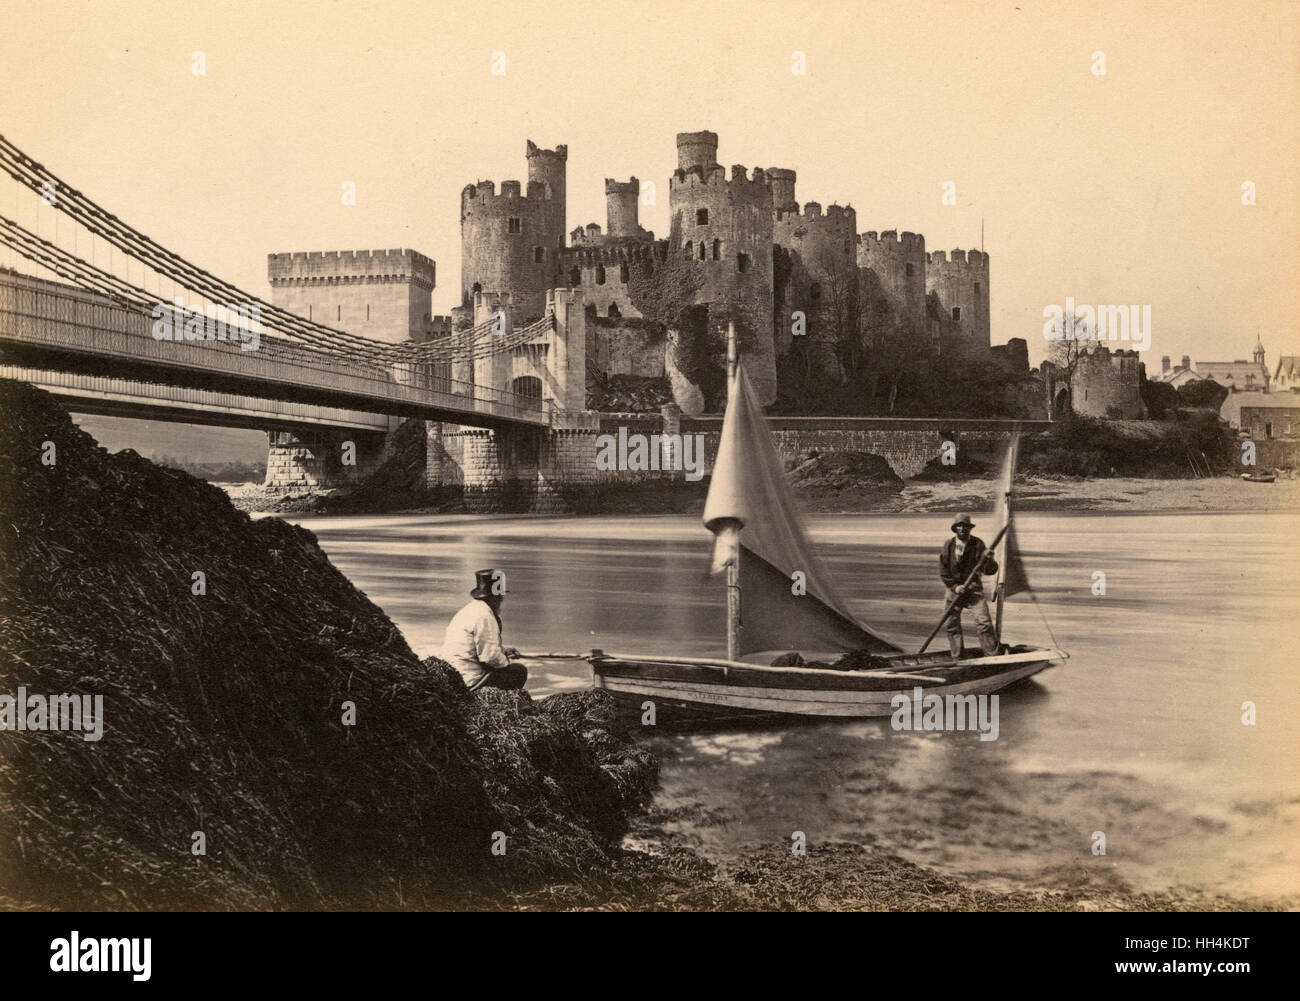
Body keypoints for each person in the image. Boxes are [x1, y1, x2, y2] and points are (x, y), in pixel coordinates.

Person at [439, 568, 528, 690]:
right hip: (471, 680)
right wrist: (505, 661)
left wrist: (503, 651)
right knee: (518, 671)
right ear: (495, 597)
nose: (501, 600)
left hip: (455, 675)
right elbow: (490, 657)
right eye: (500, 596)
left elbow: (478, 647)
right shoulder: (485, 616)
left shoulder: (470, 610)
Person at [938, 514, 999, 657]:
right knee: (951, 624)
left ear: (969, 528)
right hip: (954, 591)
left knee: (984, 623)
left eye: (965, 526)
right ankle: (957, 657)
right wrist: (955, 587)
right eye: (959, 525)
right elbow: (943, 570)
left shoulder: (978, 544)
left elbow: (990, 570)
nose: (962, 528)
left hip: (973, 591)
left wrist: (989, 559)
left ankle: (992, 655)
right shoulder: (948, 545)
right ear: (955, 528)